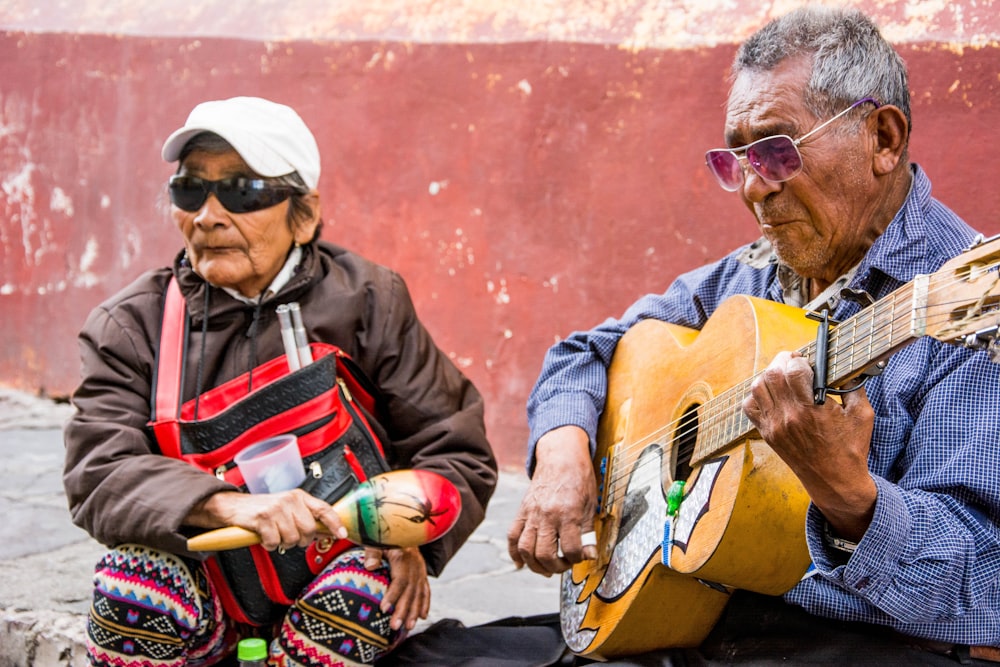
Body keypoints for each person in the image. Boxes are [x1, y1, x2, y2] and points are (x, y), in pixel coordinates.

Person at [508, 6, 1000, 665]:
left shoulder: (962, 312)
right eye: (733, 159)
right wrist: (563, 452)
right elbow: (583, 352)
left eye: (774, 150)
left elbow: (983, 583)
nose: (750, 189)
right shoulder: (752, 273)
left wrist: (850, 498)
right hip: (700, 607)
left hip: (858, 643)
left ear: (883, 138)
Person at [63, 96, 497, 666]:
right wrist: (226, 507)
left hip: (334, 568)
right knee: (133, 583)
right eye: (189, 191)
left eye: (243, 192)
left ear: (304, 213)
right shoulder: (131, 324)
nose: (208, 216)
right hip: (205, 586)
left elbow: (454, 448)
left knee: (367, 591)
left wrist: (406, 532)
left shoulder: (368, 300)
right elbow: (100, 470)